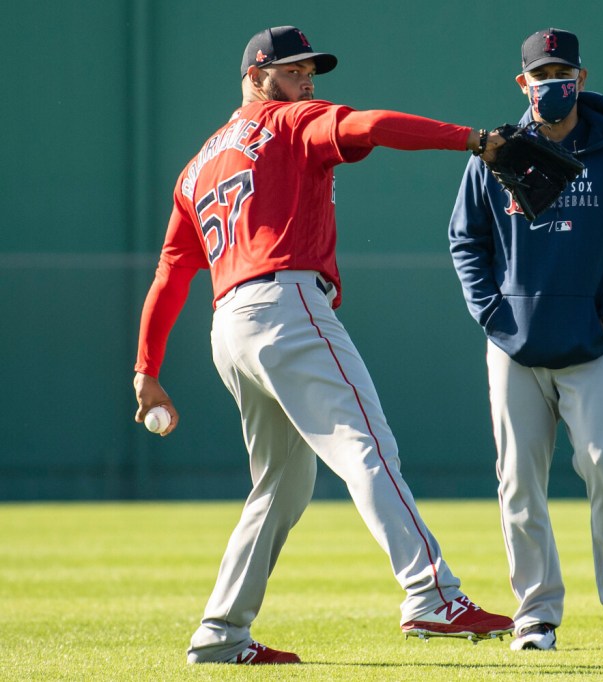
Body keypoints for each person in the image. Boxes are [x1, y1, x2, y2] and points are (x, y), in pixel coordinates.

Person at [132, 25, 514, 665]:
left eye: (310, 71)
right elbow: (371, 124)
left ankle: (221, 634)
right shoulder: (286, 122)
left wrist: (146, 368)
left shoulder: (198, 163)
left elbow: (172, 272)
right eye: (291, 70)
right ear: (256, 75)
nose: (306, 80)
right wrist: (472, 141)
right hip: (285, 305)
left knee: (282, 483)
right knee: (367, 444)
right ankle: (432, 595)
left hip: (229, 326)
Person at [448, 28, 603, 651]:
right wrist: (492, 314)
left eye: (562, 73)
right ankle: (536, 614)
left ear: (582, 78)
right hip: (514, 344)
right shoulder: (495, 152)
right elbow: (466, 240)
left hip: (593, 344)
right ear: (524, 84)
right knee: (518, 480)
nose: (553, 85)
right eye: (541, 76)